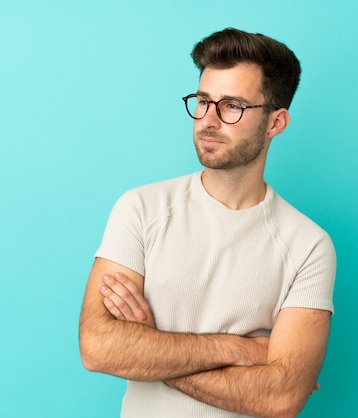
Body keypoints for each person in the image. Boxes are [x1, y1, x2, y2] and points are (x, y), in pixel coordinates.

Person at [79, 27, 336, 418]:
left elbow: (280, 398)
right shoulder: (141, 209)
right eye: (202, 101)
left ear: (275, 122)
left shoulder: (308, 245)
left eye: (232, 105)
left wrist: (150, 347)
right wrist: (241, 349)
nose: (208, 120)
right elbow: (98, 347)